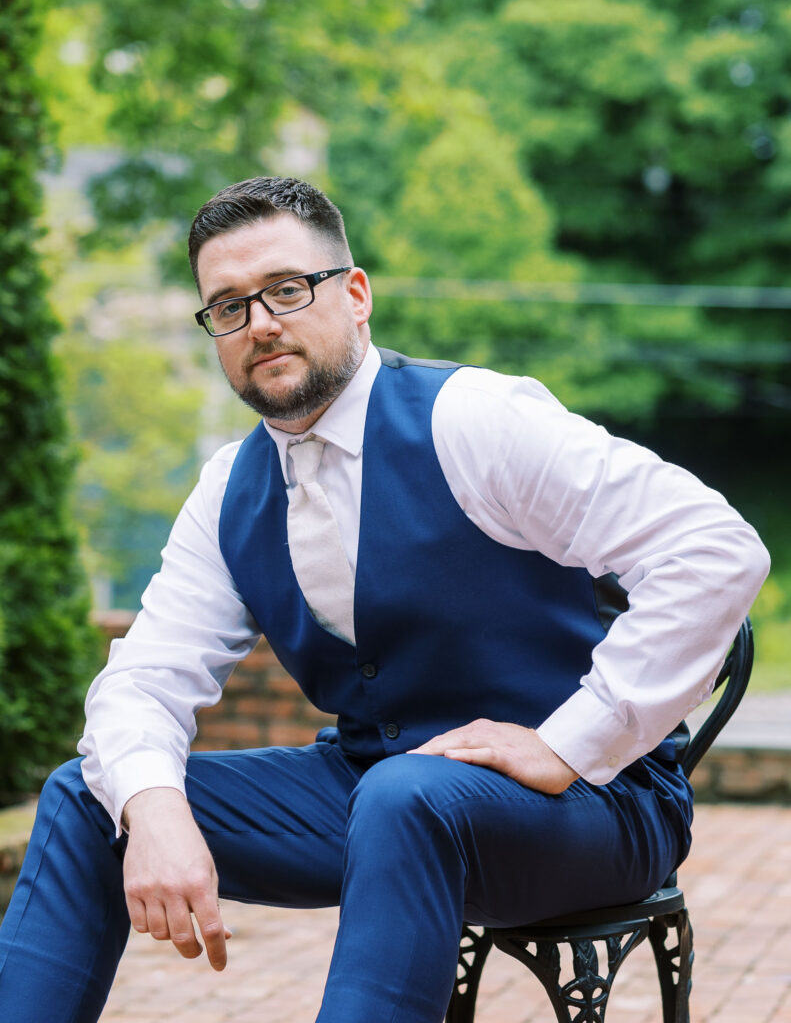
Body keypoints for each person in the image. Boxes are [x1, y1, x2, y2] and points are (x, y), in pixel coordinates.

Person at [0, 176, 770, 1023]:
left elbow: (714, 549)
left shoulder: (473, 418)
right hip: (374, 790)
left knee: (408, 796)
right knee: (90, 796)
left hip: (590, 805)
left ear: (355, 294)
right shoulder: (227, 490)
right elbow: (143, 680)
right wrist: (152, 812)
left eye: (287, 290)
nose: (259, 323)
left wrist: (569, 741)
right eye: (227, 307)